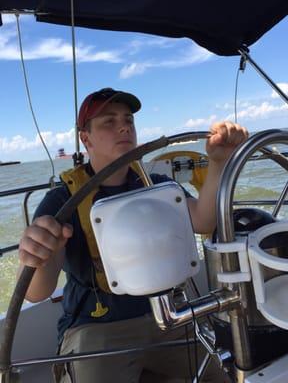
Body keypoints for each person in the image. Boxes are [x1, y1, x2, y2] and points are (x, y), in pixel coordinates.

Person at [18, 87, 248, 383]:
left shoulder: (156, 184)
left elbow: (203, 220)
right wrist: (36, 253)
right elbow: (38, 291)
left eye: (128, 120)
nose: (125, 126)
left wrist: (219, 163)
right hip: (96, 328)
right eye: (109, 122)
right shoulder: (61, 202)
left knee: (221, 378)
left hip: (164, 316)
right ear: (85, 138)